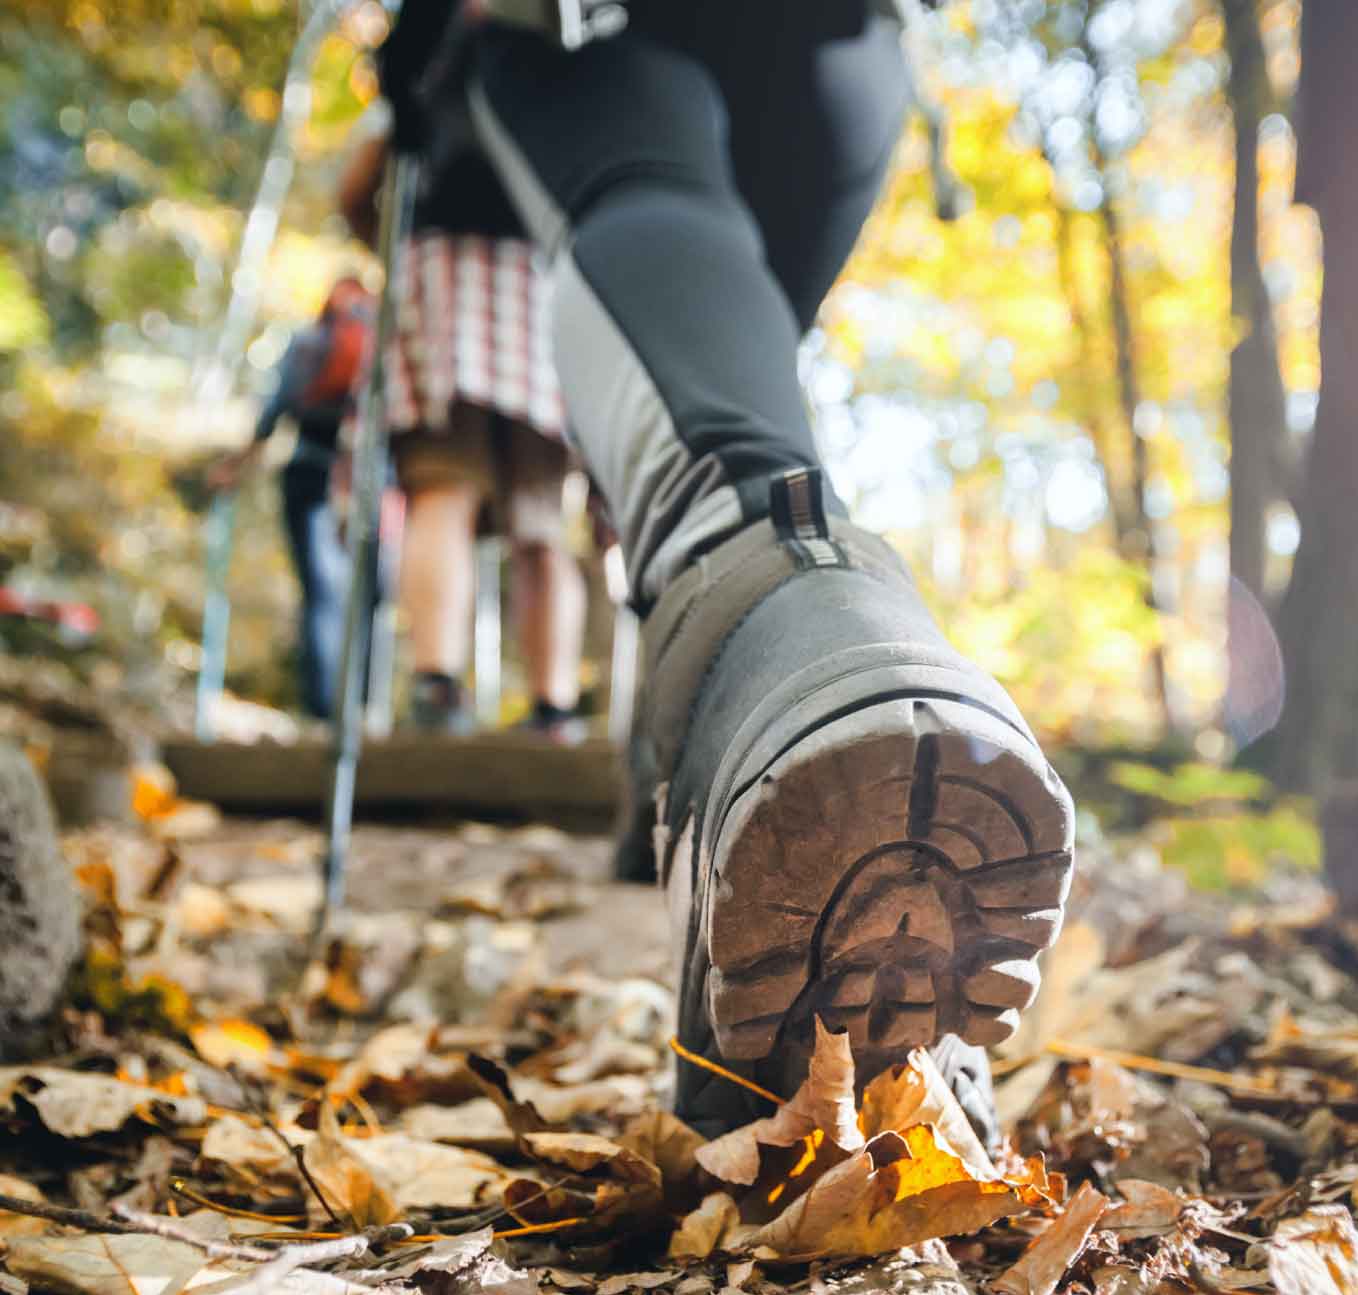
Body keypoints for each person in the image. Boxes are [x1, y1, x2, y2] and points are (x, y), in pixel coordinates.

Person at [381, 1, 1075, 1142]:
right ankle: (723, 718)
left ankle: (777, 629)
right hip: (843, 59)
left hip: (584, 38)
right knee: (715, 356)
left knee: (662, 247)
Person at [339, 78, 587, 740]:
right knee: (540, 525)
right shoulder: (561, 71)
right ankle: (553, 707)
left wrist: (396, 248)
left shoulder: (431, 62)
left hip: (440, 285)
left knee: (442, 492)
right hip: (543, 297)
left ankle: (436, 685)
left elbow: (356, 189)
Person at [210, 277, 371, 721]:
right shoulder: (383, 338)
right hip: (368, 480)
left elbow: (273, 412)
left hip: (308, 470)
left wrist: (232, 467)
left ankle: (323, 712)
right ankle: (364, 707)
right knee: (367, 595)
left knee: (321, 594)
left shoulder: (306, 342)